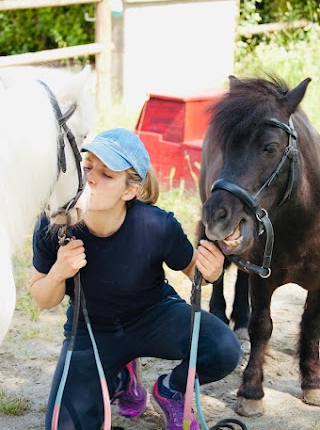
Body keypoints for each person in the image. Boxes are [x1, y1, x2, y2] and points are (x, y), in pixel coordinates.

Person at [30, 128, 242, 430]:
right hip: (91, 332)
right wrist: (58, 272)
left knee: (224, 349)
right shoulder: (54, 224)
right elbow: (41, 297)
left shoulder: (157, 225)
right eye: (88, 167)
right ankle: (122, 377)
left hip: (154, 316)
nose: (90, 178)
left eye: (107, 175)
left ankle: (170, 390)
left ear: (129, 191)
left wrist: (213, 270)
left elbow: (197, 272)